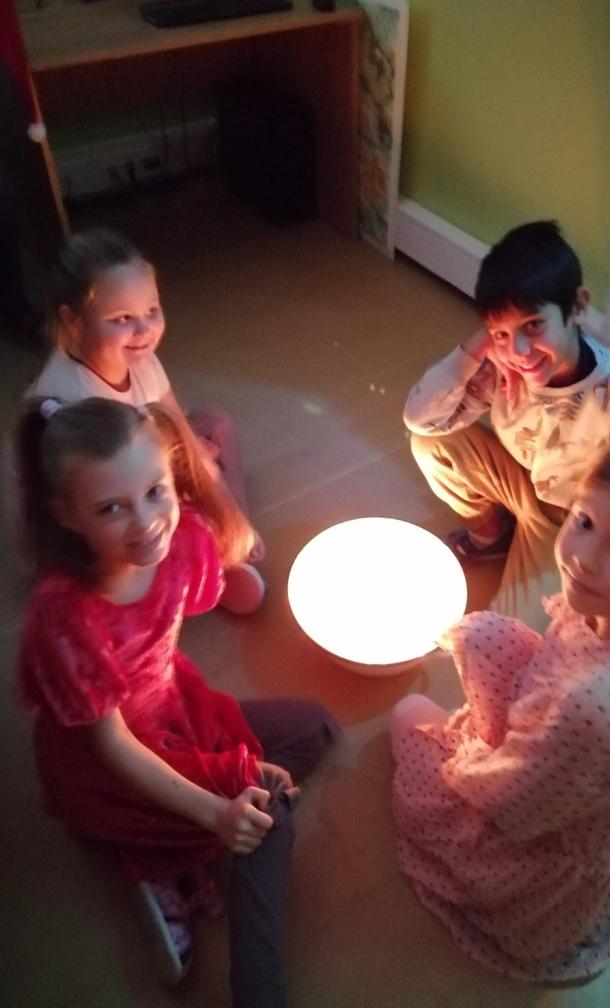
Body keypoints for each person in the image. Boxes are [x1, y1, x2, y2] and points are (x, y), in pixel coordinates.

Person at [16, 396, 340, 1002]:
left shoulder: (182, 536)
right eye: (111, 508)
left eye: (155, 492)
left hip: (174, 707)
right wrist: (215, 812)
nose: (145, 523)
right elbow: (111, 744)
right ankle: (250, 981)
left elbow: (219, 573)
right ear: (67, 515)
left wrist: (210, 493)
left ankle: (169, 847)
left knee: (318, 727)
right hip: (112, 761)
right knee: (270, 804)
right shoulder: (66, 617)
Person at [390, 433, 610, 983]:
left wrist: (463, 757)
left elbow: (514, 803)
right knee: (484, 636)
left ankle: (529, 918)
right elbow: (550, 666)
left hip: (540, 848)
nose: (583, 558)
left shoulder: (602, 707)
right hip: (557, 763)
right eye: (584, 522)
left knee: (407, 716)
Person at [404, 220, 610, 629]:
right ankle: (491, 535)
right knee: (429, 444)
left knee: (517, 632)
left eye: (533, 325)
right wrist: (478, 348)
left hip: (573, 518)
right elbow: (422, 419)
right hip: (523, 479)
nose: (520, 351)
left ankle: (532, 549)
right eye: (500, 333)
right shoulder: (503, 365)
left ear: (577, 306)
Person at [27, 227, 265, 614]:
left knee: (216, 424)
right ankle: (206, 565)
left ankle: (231, 536)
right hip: (108, 501)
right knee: (167, 505)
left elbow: (176, 424)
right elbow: (106, 505)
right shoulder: (73, 402)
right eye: (122, 318)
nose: (143, 330)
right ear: (74, 322)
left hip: (138, 454)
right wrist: (190, 490)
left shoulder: (139, 358)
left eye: (151, 312)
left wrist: (226, 505)